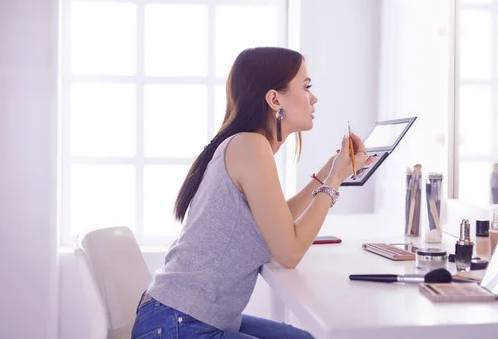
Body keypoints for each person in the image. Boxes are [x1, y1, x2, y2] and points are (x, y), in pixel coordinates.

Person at [131, 47, 373, 339]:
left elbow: (279, 221)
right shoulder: (250, 146)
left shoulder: (246, 145)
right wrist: (333, 181)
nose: (314, 97)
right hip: (176, 324)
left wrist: (329, 171)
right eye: (306, 87)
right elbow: (290, 252)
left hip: (181, 316)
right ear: (274, 99)